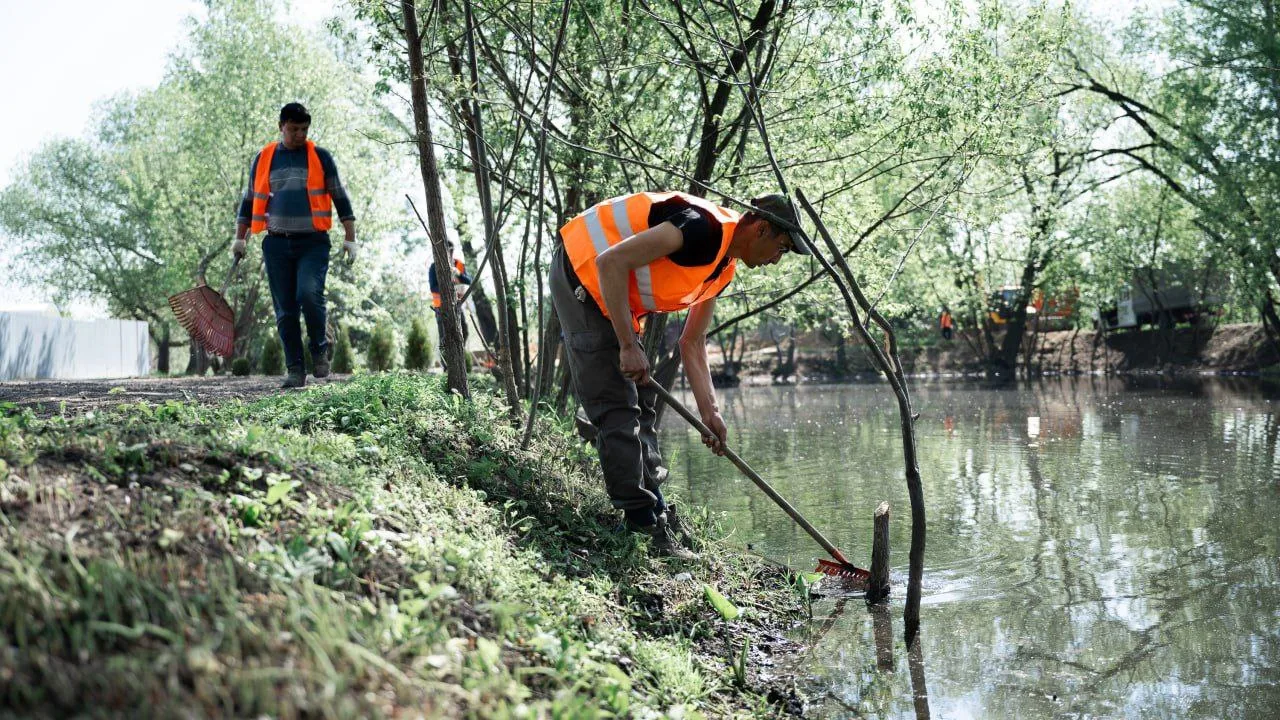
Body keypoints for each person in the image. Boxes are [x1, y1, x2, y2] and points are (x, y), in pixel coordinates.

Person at [550, 191, 809, 558]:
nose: (777, 260)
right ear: (762, 229)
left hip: (608, 287)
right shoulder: (700, 228)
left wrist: (710, 413)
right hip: (580, 270)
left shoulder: (722, 266)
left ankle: (655, 508)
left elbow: (693, 341)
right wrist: (627, 345)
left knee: (642, 404)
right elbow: (610, 261)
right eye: (781, 248)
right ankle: (642, 526)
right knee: (617, 405)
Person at [233, 103, 357, 388]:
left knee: (309, 294)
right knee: (285, 310)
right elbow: (249, 200)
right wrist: (240, 238)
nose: (300, 134)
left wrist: (350, 237)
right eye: (294, 129)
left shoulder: (320, 157)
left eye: (304, 129)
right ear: (281, 127)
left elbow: (340, 196)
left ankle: (318, 349)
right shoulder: (264, 158)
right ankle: (295, 369)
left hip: (313, 242)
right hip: (276, 244)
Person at [429, 242, 472, 366]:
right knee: (444, 336)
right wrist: (450, 289)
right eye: (448, 250)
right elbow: (433, 287)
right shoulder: (434, 267)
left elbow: (469, 280)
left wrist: (458, 273)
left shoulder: (459, 264)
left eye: (451, 250)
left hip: (457, 305)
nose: (450, 253)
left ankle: (458, 359)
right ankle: (446, 366)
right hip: (441, 307)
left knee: (464, 331)